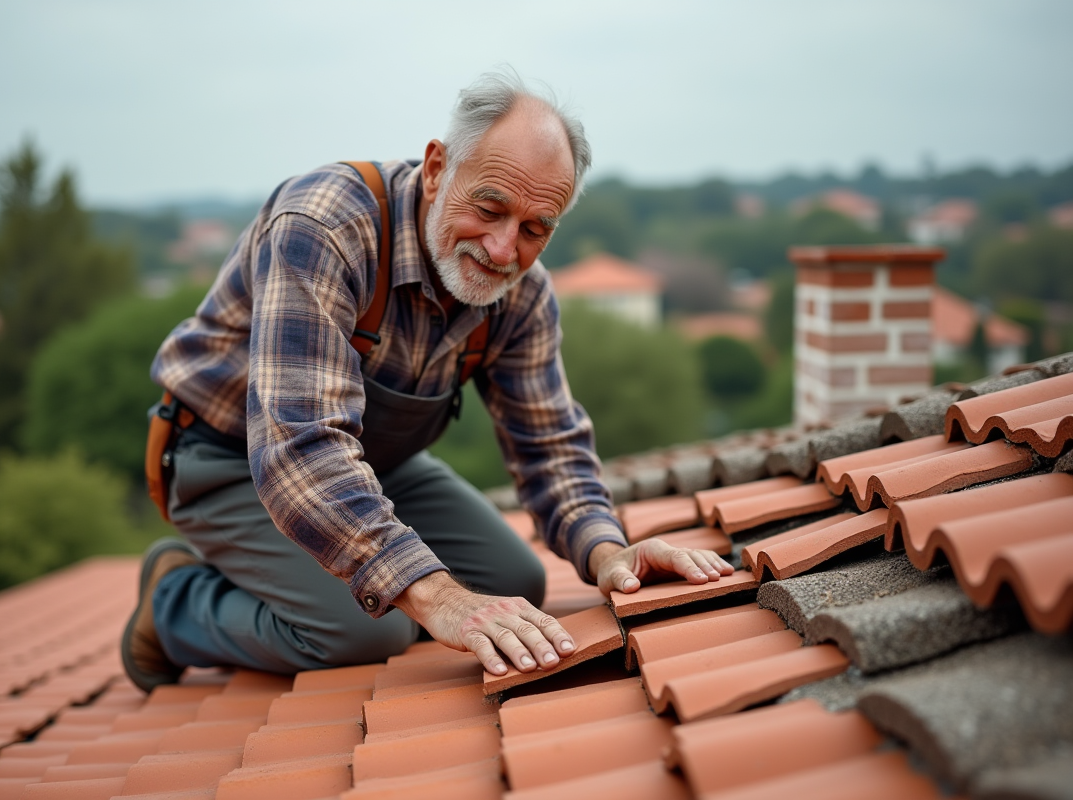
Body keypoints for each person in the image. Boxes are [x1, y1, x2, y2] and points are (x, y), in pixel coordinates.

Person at [123, 70, 733, 691]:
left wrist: (610, 555)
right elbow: (296, 446)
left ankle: (294, 577)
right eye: (490, 208)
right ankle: (174, 600)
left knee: (513, 584)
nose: (502, 250)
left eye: (534, 229)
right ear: (439, 168)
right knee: (365, 629)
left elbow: (548, 444)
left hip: (370, 465)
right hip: (229, 459)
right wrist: (439, 601)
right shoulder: (327, 225)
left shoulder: (520, 296)